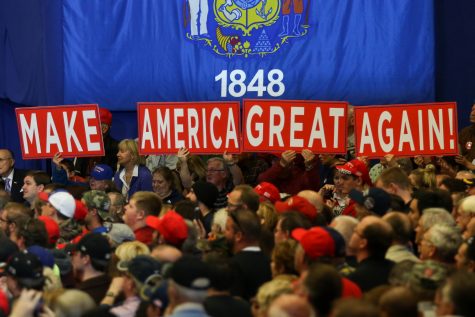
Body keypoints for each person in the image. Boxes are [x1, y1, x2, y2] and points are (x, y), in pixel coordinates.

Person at [225, 209, 272, 301]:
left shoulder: (234, 265)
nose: (223, 232)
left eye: (227, 229)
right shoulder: (270, 262)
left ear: (238, 236)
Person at [347, 216, 394, 292]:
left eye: (356, 231)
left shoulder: (355, 279)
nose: (353, 233)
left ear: (363, 243)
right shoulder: (395, 269)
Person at [74, 107, 119, 176]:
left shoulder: (116, 148)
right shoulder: (81, 144)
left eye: (91, 125)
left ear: (104, 129)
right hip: (80, 185)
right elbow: (75, 170)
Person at [72, 233, 112, 304]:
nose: (72, 259)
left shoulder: (78, 299)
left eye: (75, 254)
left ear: (85, 259)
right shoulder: (117, 289)